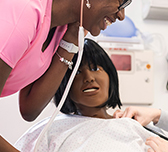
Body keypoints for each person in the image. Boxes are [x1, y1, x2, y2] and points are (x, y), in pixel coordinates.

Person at [0, 0, 136, 151]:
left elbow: (30, 109)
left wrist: (72, 39)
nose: (122, 15)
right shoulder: (25, 4)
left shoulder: (61, 27)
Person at [15, 39, 160, 152]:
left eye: (95, 68)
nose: (89, 77)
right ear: (64, 85)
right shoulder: (50, 130)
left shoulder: (133, 127)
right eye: (77, 72)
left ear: (110, 76)